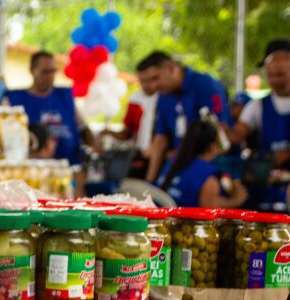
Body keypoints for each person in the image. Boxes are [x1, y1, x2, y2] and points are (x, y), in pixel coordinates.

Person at [139, 51, 231, 182]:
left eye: (156, 78)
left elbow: (220, 134)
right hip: (180, 166)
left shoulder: (205, 85)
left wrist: (186, 156)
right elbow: (161, 140)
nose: (153, 86)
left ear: (170, 68)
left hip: (211, 167)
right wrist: (149, 184)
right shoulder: (164, 95)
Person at [6, 51, 97, 166]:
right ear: (32, 70)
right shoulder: (14, 100)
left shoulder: (65, 96)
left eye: (53, 71)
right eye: (45, 72)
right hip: (31, 170)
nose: (50, 76)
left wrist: (94, 150)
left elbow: (83, 128)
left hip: (69, 167)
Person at [226, 40, 290, 166]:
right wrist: (222, 131)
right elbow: (238, 134)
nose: (276, 81)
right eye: (271, 76)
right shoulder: (257, 106)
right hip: (269, 180)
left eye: (281, 74)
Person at [158, 120, 248, 208]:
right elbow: (209, 207)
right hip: (182, 221)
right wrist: (236, 200)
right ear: (212, 147)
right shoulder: (208, 177)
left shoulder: (171, 162)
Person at [99, 65, 160, 177]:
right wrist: (109, 132)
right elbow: (127, 133)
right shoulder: (135, 100)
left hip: (160, 156)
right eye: (143, 81)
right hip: (140, 155)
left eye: (152, 80)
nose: (147, 85)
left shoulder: (166, 98)